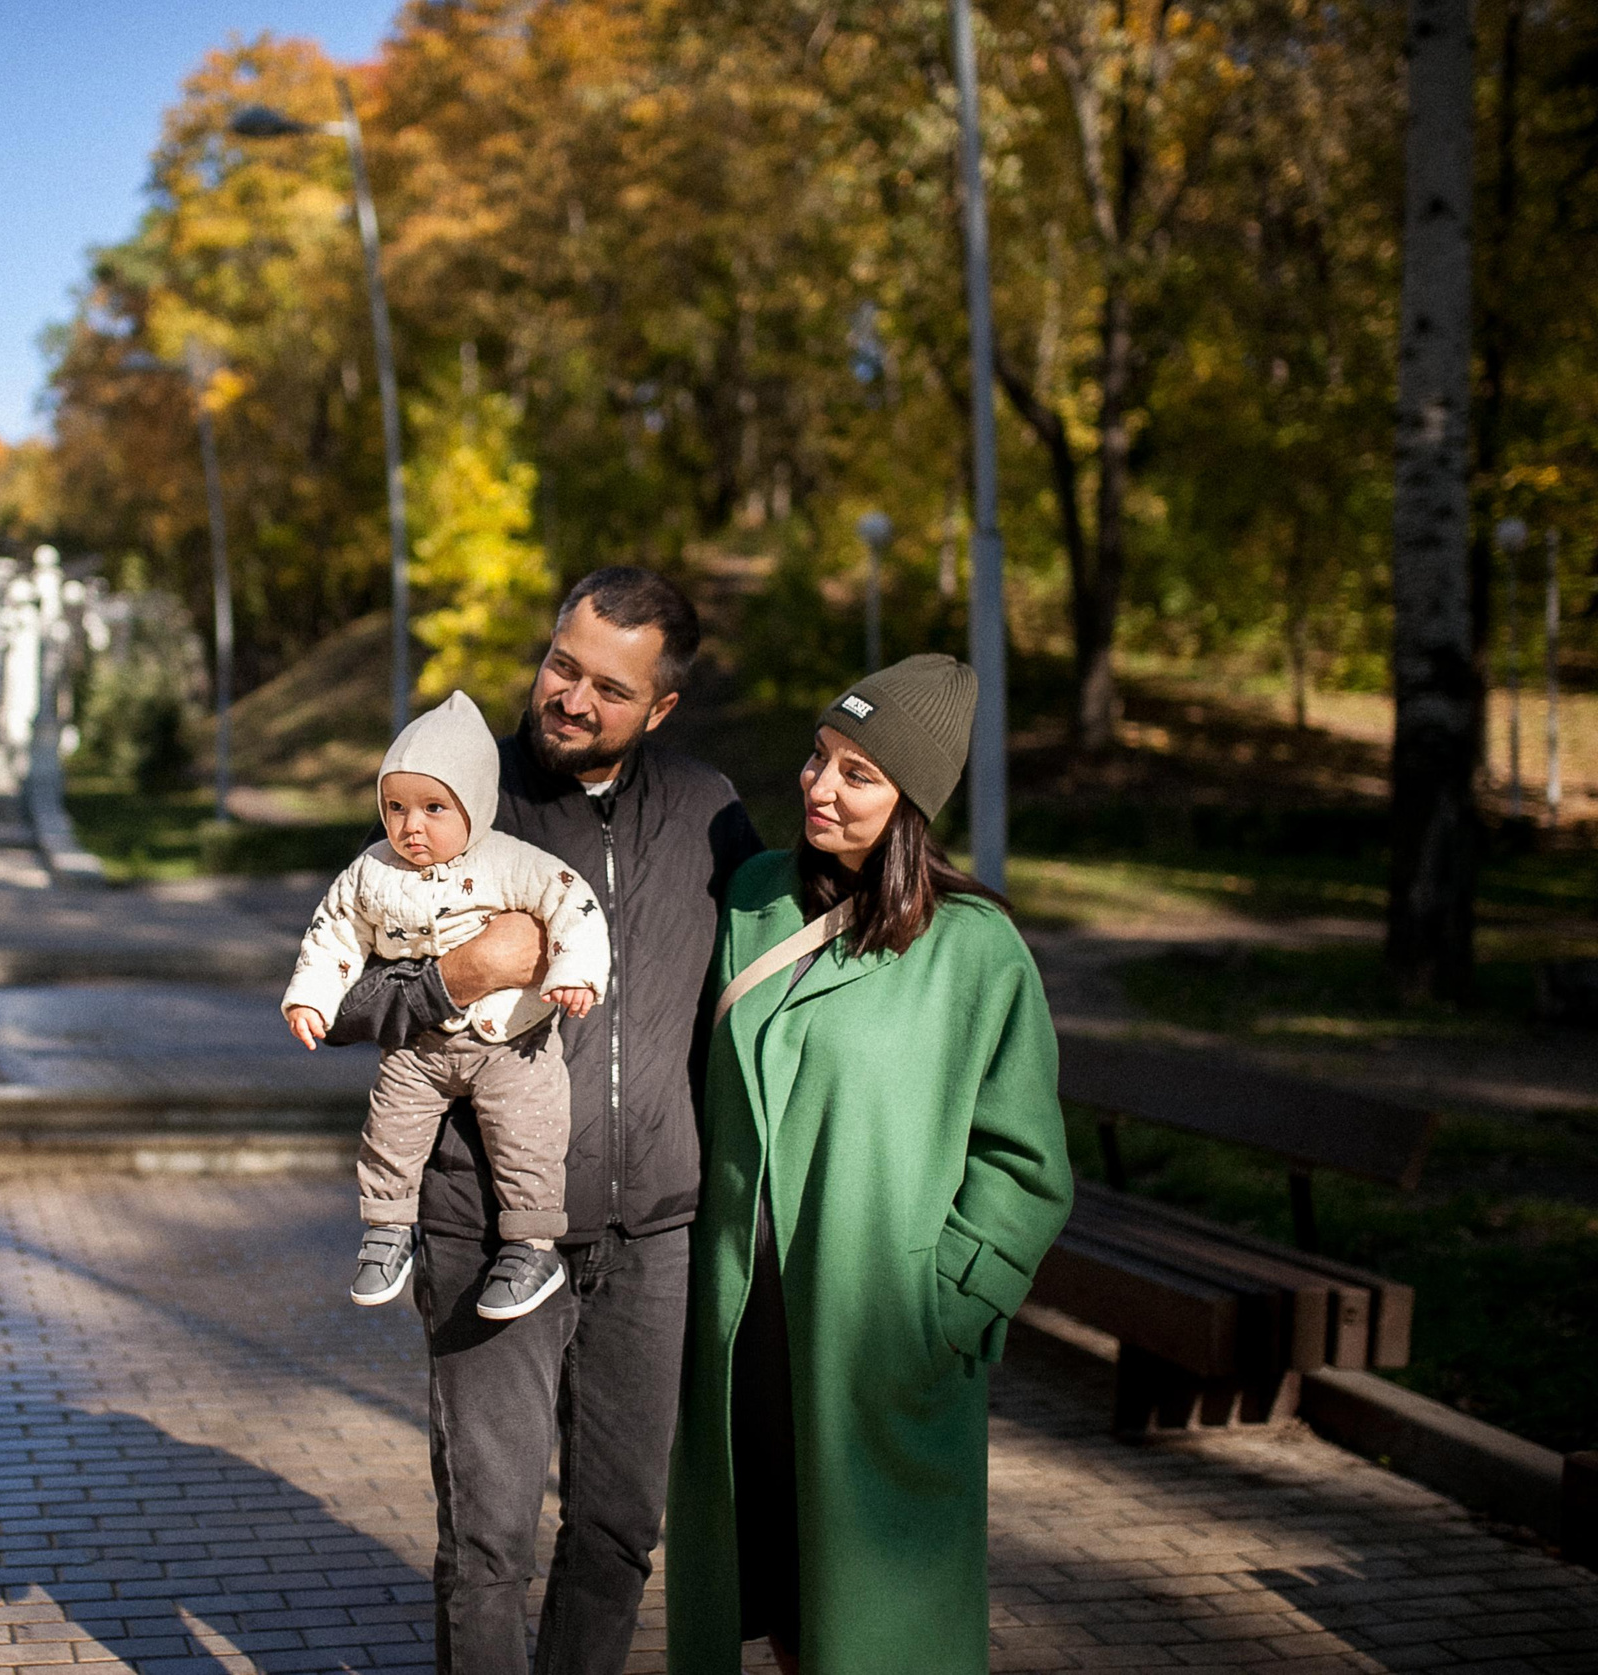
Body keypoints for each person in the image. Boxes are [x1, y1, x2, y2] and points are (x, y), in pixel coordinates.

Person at [325, 567, 764, 1674]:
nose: (571, 697)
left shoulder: (708, 811)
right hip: (485, 1227)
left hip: (651, 1237)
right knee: (487, 1545)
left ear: (660, 708)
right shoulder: (456, 798)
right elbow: (338, 1001)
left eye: (609, 689)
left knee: (617, 1534)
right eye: (563, 665)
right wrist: (457, 974)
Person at [666, 654, 1075, 1674]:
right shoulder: (753, 898)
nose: (820, 785)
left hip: (877, 1330)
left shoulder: (975, 949)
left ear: (911, 803)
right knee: (776, 1568)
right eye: (819, 757)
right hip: (742, 1321)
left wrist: (951, 1306)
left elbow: (1026, 1162)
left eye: (859, 773)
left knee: (878, 1602)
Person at [283, 690, 612, 1321]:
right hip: (420, 1044)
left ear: (475, 806)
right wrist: (311, 998)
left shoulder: (511, 862)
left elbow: (575, 904)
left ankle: (532, 1245)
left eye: (434, 808)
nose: (412, 826)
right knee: (389, 1130)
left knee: (528, 1136)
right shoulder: (370, 872)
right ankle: (387, 1228)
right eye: (396, 807)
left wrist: (574, 973)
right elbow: (334, 934)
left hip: (510, 1042)